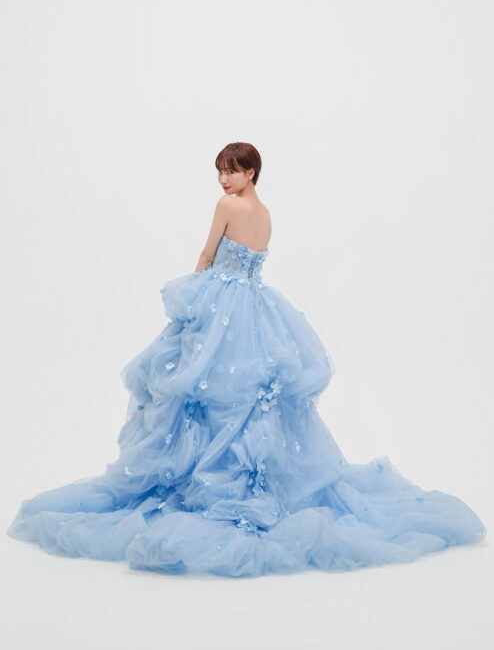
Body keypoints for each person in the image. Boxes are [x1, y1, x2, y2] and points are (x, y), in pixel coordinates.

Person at [6, 142, 487, 578]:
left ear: (251, 172)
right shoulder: (266, 213)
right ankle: (243, 480)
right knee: (245, 398)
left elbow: (208, 254)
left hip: (221, 304)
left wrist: (192, 301)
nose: (223, 179)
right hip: (255, 308)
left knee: (197, 389)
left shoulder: (228, 206)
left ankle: (198, 480)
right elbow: (253, 263)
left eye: (231, 171)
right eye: (220, 171)